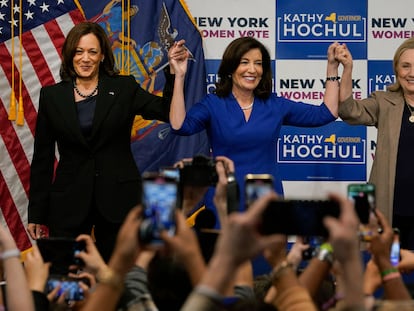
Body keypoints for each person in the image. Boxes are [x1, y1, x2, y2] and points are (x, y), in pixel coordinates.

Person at [26, 21, 188, 261]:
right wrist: (37, 213)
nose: (85, 58)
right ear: (69, 55)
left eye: (92, 52)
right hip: (69, 203)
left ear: (102, 56)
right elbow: (43, 158)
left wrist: (175, 74)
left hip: (119, 201)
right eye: (79, 51)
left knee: (117, 278)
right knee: (69, 281)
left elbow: (168, 112)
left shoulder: (124, 88)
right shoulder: (51, 96)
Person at [169, 36, 341, 209]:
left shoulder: (275, 105)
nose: (252, 69)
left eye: (258, 63)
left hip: (266, 200)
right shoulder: (213, 104)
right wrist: (179, 77)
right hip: (224, 200)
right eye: (244, 62)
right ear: (230, 67)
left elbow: (326, 113)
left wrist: (332, 69)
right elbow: (179, 126)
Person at [336, 37, 414, 250]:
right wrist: (348, 68)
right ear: (396, 69)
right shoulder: (384, 101)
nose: (412, 73)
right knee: (386, 272)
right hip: (387, 210)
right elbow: (348, 111)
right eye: (406, 66)